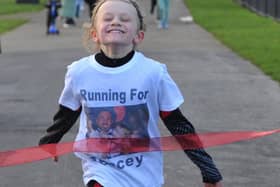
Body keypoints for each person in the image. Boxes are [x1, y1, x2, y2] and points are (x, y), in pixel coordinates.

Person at [38, 0, 223, 187]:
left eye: (125, 19)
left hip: (145, 173)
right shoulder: (79, 72)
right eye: (108, 18)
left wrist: (208, 170)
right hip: (100, 170)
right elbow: (66, 113)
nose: (115, 22)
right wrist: (50, 140)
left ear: (138, 36)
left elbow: (178, 124)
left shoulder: (153, 73)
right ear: (94, 34)